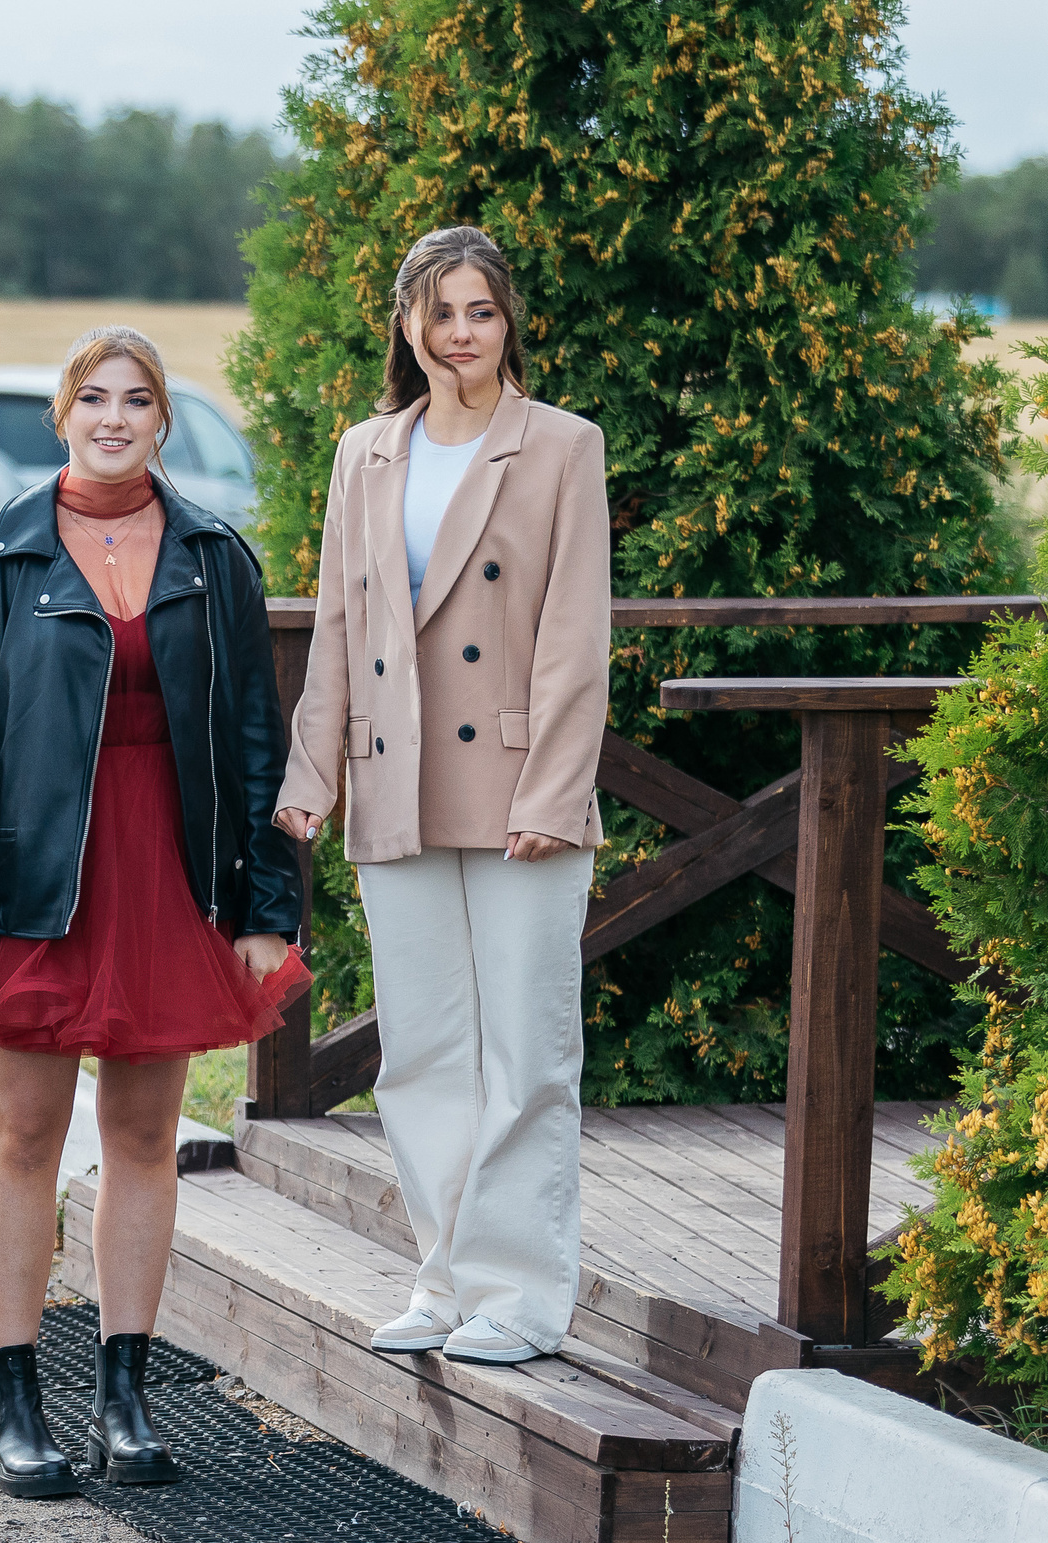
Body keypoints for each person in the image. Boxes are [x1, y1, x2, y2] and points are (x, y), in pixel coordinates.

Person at [0, 326, 308, 1496]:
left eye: (138, 400)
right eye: (94, 397)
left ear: (164, 422)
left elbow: (253, 743)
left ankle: (123, 1396)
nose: (115, 417)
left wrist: (262, 905)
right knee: (23, 1139)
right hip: (39, 887)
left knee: (144, 1140)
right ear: (63, 415)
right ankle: (15, 1399)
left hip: (169, 881)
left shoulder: (212, 558)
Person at [275, 225, 611, 1367]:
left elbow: (576, 634)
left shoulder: (562, 446)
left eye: (480, 313)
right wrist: (309, 775)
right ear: (406, 327)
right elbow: (335, 626)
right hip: (394, 784)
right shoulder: (364, 451)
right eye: (439, 315)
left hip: (520, 789)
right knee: (420, 1052)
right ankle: (444, 1279)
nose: (460, 335)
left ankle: (519, 1299)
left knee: (525, 1053)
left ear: (506, 321)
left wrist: (554, 792)